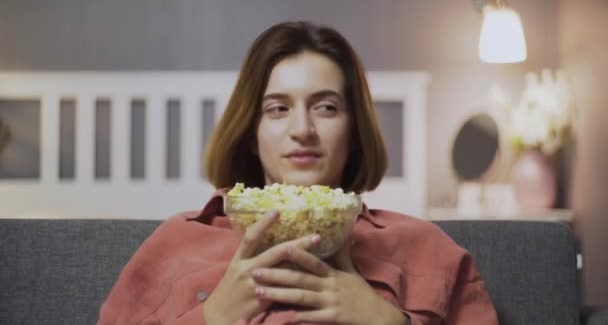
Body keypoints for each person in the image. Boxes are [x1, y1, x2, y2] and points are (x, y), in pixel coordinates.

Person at [99, 21, 498, 324]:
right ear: (251, 134)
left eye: (325, 107)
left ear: (355, 131)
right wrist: (212, 317)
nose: (303, 130)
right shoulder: (177, 242)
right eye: (277, 109)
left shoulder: (427, 249)